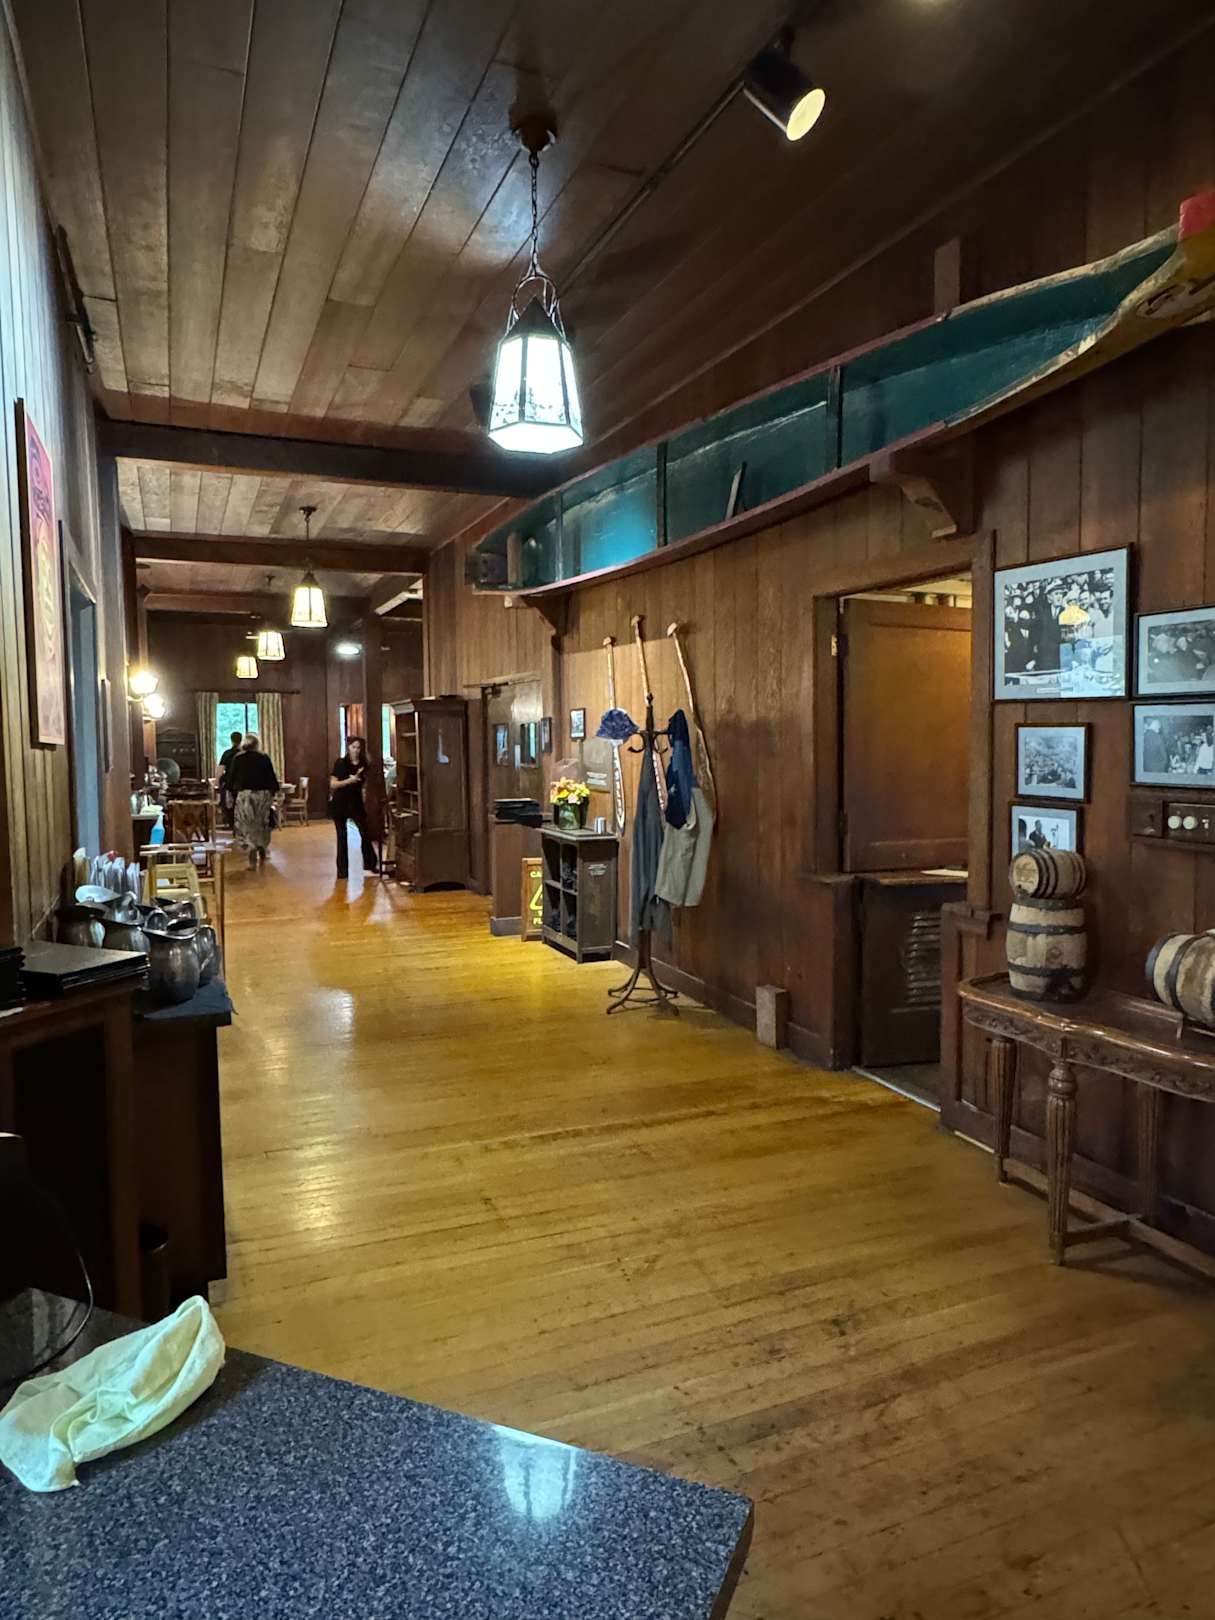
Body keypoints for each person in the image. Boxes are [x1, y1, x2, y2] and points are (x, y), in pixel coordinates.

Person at [329, 736, 379, 879]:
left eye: (358, 748)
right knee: (342, 836)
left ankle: (370, 863)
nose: (356, 750)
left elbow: (366, 782)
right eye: (353, 747)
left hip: (356, 803)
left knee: (365, 832)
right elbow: (333, 784)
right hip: (340, 802)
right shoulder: (340, 763)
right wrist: (349, 780)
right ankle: (342, 871)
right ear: (348, 748)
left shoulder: (364, 764)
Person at [226, 733, 279, 868]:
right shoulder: (264, 758)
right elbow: (271, 778)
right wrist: (273, 794)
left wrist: (230, 793)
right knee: (261, 824)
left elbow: (230, 779)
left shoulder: (238, 758)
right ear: (257, 744)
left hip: (245, 796)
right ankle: (262, 848)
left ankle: (252, 856)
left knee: (247, 826)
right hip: (262, 796)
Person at [217, 730, 242, 827]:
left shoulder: (227, 753)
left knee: (226, 802)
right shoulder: (244, 754)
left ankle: (230, 822)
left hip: (229, 782)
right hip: (242, 782)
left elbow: (220, 770)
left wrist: (217, 782)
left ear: (231, 740)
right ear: (241, 740)